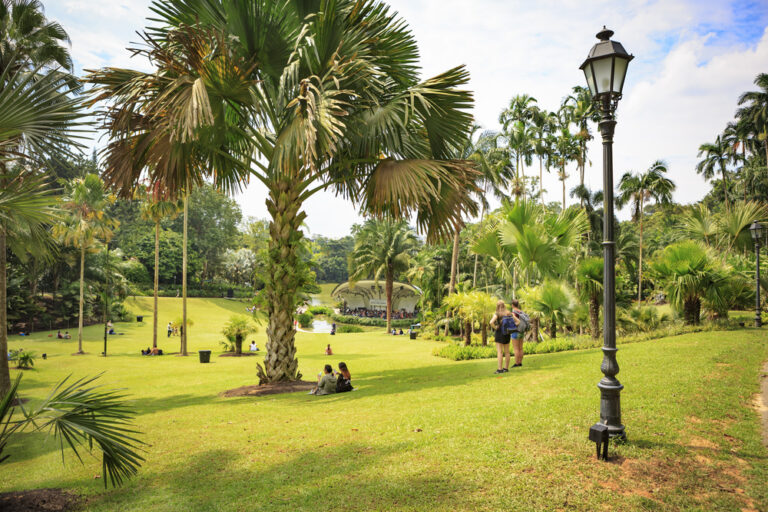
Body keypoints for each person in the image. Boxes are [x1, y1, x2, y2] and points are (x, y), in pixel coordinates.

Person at [489, 300, 515, 374]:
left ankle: (500, 369)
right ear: (504, 305)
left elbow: (491, 322)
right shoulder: (508, 313)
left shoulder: (497, 314)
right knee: (507, 352)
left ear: (497, 306)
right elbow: (515, 321)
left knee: (500, 352)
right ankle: (506, 368)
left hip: (499, 333)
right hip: (507, 333)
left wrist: (496, 327)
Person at [509, 299, 525, 368]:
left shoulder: (513, 313)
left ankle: (517, 363)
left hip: (515, 331)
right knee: (520, 348)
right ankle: (520, 362)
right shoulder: (521, 312)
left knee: (516, 348)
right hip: (522, 331)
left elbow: (512, 322)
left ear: (512, 305)